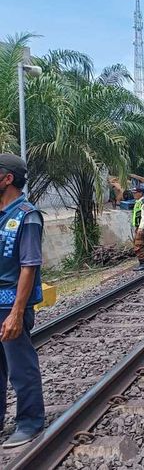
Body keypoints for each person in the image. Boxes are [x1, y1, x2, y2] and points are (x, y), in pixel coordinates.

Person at [0, 154, 45, 448]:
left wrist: (17, 312)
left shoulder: (27, 215)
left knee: (19, 365)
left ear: (7, 178)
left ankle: (31, 422)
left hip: (12, 302)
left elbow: (29, 265)